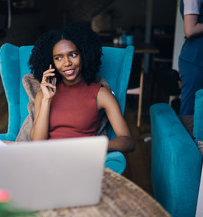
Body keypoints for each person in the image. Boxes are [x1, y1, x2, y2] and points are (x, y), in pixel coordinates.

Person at [28, 23, 135, 154]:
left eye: (73, 55)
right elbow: (37, 143)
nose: (67, 63)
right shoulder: (44, 95)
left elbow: (128, 141)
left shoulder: (101, 94)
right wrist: (46, 100)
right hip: (48, 159)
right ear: (52, 63)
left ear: (84, 55)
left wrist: (93, 146)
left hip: (81, 160)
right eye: (58, 58)